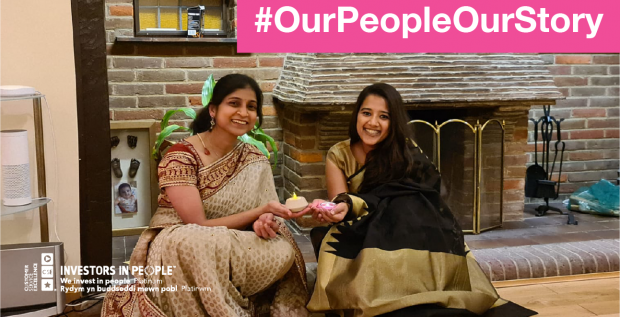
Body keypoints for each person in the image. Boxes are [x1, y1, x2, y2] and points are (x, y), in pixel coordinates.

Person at [307, 83, 536, 317]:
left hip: (407, 227)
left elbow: (427, 193)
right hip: (365, 228)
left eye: (383, 116)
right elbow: (341, 202)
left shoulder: (406, 150)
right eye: (366, 113)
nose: (372, 123)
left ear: (393, 122)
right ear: (357, 115)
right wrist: (334, 209)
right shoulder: (339, 154)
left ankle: (424, 294)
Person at [102, 74, 310, 317]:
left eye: (251, 107)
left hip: (236, 241)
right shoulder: (181, 156)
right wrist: (261, 212)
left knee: (283, 250)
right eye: (234, 103)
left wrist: (263, 222)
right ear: (213, 110)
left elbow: (264, 213)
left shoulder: (255, 158)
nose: (243, 112)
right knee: (194, 242)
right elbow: (197, 223)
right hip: (182, 240)